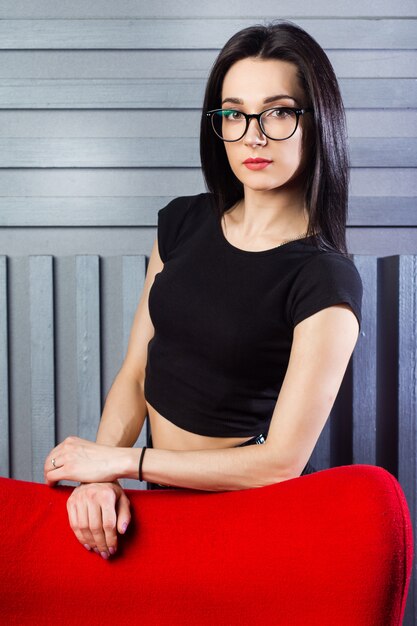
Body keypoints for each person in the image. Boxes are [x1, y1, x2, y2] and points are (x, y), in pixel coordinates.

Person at [43, 20, 363, 561]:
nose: (253, 135)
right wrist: (101, 479)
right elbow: (137, 368)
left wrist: (122, 463)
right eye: (234, 113)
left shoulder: (325, 278)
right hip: (153, 504)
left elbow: (281, 461)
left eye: (280, 112)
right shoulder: (182, 221)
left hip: (251, 516)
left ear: (317, 123)